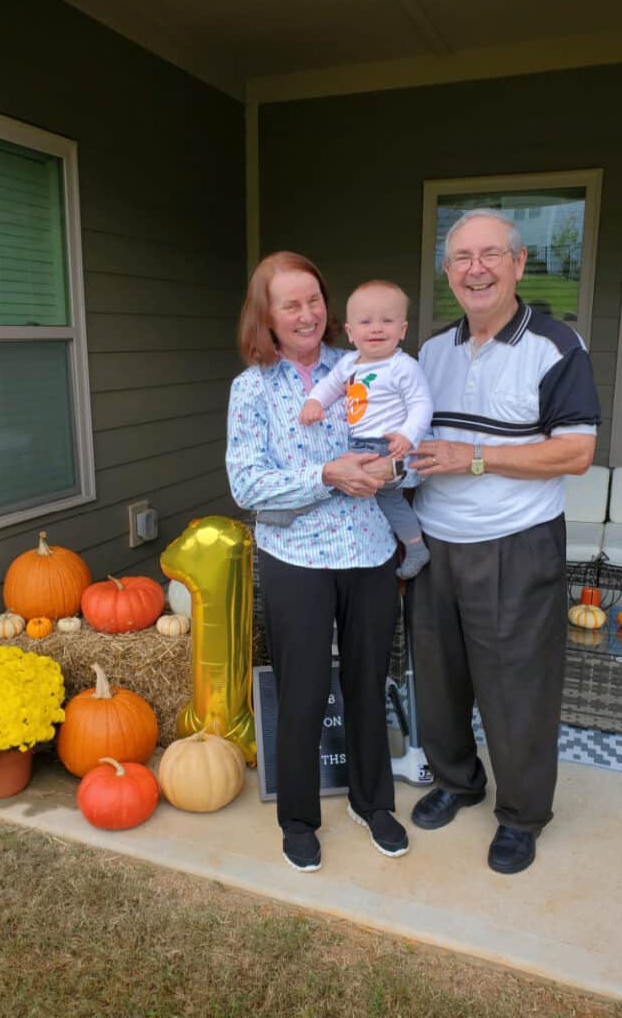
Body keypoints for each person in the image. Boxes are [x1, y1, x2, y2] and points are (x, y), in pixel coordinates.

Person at [408, 209, 600, 875]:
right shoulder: (430, 352)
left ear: (519, 264)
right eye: (462, 257)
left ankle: (521, 816)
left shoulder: (555, 346)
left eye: (491, 254)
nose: (476, 268)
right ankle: (459, 780)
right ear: (447, 272)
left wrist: (477, 457)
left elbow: (575, 452)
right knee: (438, 681)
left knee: (518, 689)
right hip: (435, 545)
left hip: (516, 546)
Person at [225, 251, 409, 873]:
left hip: (370, 551)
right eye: (290, 304)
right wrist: (327, 474)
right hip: (295, 559)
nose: (306, 314)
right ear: (267, 316)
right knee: (301, 691)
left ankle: (372, 802)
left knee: (366, 681)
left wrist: (390, 466)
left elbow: (400, 444)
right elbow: (248, 485)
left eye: (314, 300)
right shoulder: (252, 389)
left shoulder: (364, 367)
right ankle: (299, 817)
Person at [299, 280, 433, 579]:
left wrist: (407, 436)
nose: (376, 329)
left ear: (403, 329)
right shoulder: (348, 363)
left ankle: (414, 547)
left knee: (379, 495)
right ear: (350, 332)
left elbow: (422, 404)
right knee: (341, 482)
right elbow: (330, 386)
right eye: (366, 321)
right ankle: (413, 546)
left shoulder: (403, 366)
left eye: (387, 321)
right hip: (357, 443)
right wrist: (313, 402)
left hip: (386, 446)